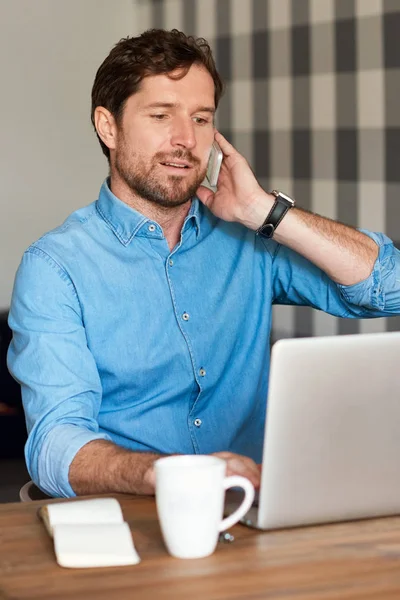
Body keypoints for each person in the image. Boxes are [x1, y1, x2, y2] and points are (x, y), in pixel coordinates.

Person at [7, 29, 400, 499]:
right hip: (130, 521)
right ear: (108, 127)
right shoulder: (55, 268)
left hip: (252, 516)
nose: (185, 140)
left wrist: (267, 212)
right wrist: (170, 474)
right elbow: (55, 443)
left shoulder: (253, 239)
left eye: (200, 118)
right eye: (161, 116)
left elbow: (389, 288)